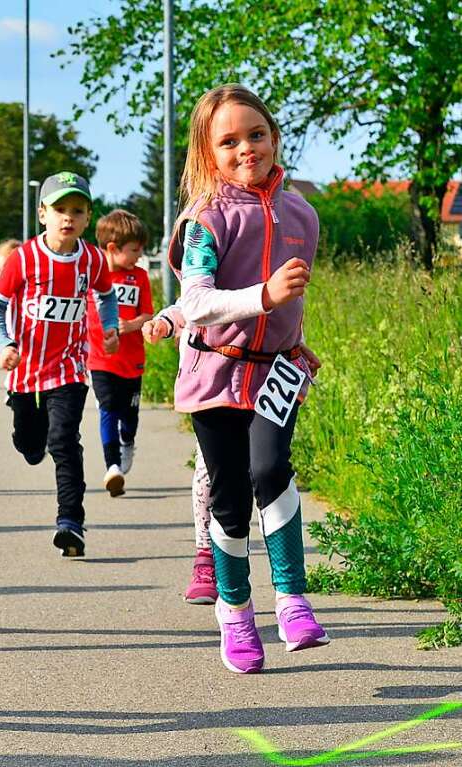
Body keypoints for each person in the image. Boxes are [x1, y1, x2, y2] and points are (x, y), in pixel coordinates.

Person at [166, 83, 328, 674]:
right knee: (230, 496)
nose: (246, 149)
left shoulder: (303, 214)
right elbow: (200, 303)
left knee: (271, 468)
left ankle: (293, 600)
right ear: (209, 154)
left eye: (255, 135)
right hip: (215, 369)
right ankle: (235, 611)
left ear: (274, 138)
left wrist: (292, 334)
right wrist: (264, 297)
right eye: (228, 141)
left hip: (278, 369)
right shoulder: (203, 221)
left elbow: (295, 299)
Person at [144, 303, 322, 605]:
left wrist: (297, 345)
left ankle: (289, 594)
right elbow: (193, 302)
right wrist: (164, 323)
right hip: (214, 384)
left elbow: (278, 316)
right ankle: (206, 559)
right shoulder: (211, 260)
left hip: (267, 376)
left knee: (267, 467)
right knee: (212, 474)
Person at [0, 172, 119, 558]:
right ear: (43, 213)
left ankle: (71, 524)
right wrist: (4, 343)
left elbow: (106, 297)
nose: (68, 218)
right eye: (59, 209)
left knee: (64, 441)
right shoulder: (24, 258)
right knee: (29, 443)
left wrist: (108, 326)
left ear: (88, 216)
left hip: (70, 370)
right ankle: (30, 440)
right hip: (25, 370)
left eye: (77, 211)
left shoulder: (92, 259)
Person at [86, 209, 154, 498]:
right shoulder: (93, 275)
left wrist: (134, 324)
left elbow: (148, 313)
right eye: (134, 251)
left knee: (129, 418)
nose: (139, 257)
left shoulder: (139, 277)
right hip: (101, 359)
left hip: (132, 359)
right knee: (107, 408)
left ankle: (128, 442)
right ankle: (112, 466)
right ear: (112, 248)